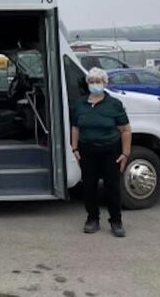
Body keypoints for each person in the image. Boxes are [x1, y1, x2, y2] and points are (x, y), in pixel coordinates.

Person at [70, 67, 132, 237]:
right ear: (87, 84)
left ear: (105, 83)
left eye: (98, 81)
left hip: (111, 151)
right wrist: (74, 148)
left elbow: (125, 130)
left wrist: (125, 153)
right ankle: (92, 219)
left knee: (112, 187)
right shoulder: (80, 104)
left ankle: (116, 221)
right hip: (87, 150)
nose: (95, 84)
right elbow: (75, 127)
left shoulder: (114, 104)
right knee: (89, 186)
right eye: (92, 81)